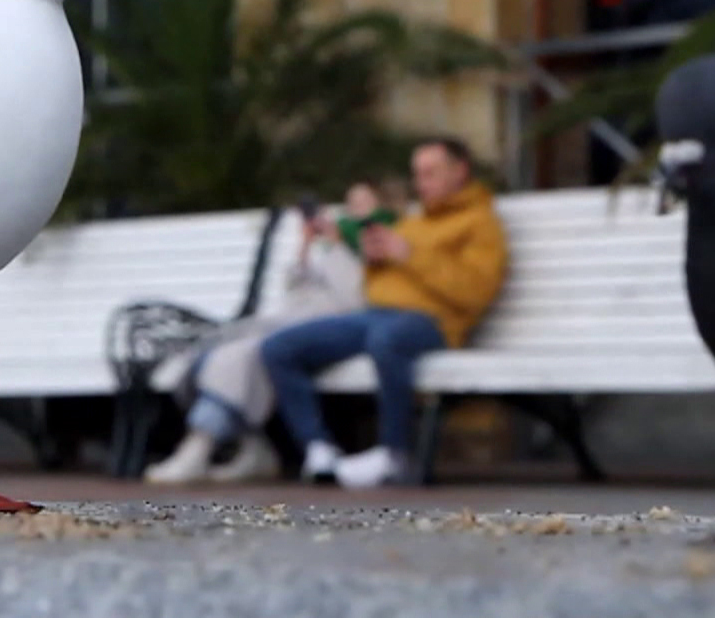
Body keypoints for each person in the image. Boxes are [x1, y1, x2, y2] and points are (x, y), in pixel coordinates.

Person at [259, 137, 509, 489]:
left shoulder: (481, 222)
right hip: (376, 314)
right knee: (278, 347)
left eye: (431, 172)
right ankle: (319, 449)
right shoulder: (415, 221)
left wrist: (409, 255)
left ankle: (395, 454)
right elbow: (379, 284)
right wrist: (373, 257)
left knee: (386, 339)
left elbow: (474, 292)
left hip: (434, 323)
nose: (422, 182)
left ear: (460, 171)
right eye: (417, 174)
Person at [142, 180, 402, 485]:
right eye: (350, 204)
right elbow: (295, 291)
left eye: (363, 204)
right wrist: (306, 245)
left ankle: (199, 447)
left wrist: (334, 246)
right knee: (215, 352)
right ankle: (253, 447)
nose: (354, 212)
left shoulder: (383, 242)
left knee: (240, 357)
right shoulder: (342, 243)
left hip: (333, 332)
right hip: (293, 324)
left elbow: (355, 301)